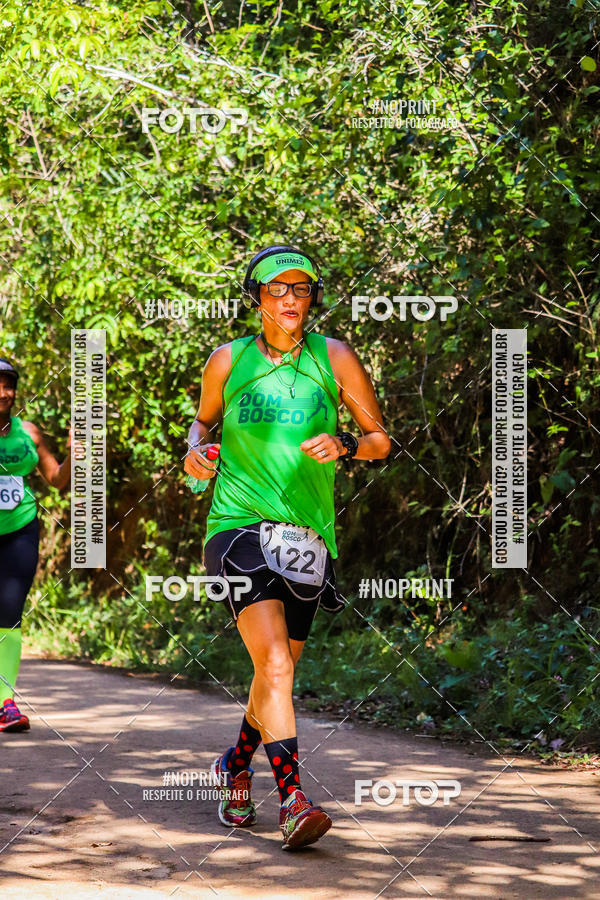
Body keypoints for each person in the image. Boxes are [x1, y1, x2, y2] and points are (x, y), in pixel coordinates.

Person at [184, 245, 390, 849]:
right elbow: (202, 424)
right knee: (274, 664)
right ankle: (294, 802)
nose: (290, 300)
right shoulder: (230, 359)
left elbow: (380, 440)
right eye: (277, 290)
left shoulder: (336, 359)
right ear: (257, 300)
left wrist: (346, 445)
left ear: (312, 299)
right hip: (237, 526)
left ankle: (234, 767)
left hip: (307, 537)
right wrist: (196, 454)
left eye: (300, 290)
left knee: (277, 673)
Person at [0, 358, 73, 732]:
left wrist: (75, 454)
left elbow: (57, 480)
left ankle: (5, 702)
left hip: (20, 530)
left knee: (10, 611)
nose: (3, 392)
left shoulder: (28, 432)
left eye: (8, 384)